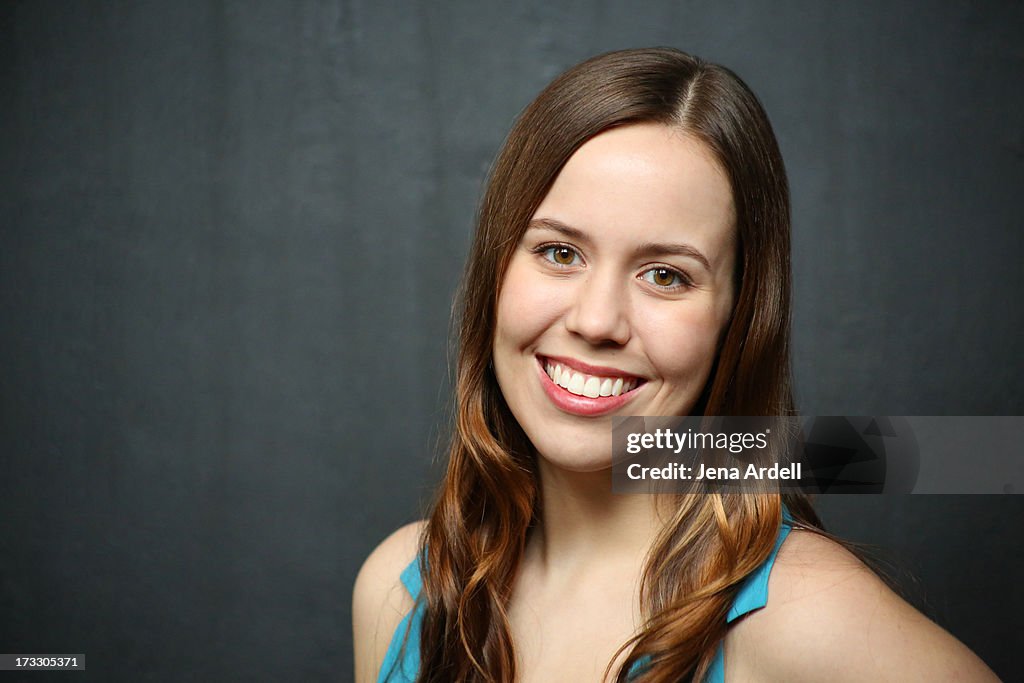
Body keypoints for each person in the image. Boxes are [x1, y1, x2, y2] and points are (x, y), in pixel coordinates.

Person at [353, 48, 998, 682]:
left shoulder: (801, 617)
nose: (597, 320)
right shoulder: (401, 591)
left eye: (665, 275)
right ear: (495, 270)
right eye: (557, 252)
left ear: (738, 317)